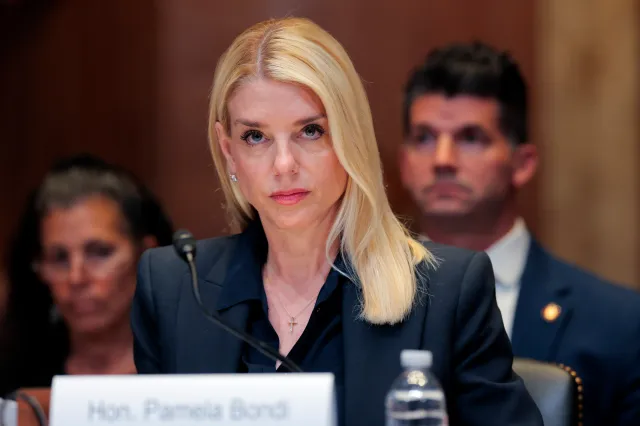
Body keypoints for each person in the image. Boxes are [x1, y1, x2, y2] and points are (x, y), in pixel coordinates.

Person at [131, 18, 543, 426]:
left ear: (351, 137)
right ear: (228, 152)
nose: (284, 165)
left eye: (310, 131)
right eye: (255, 136)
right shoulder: (174, 288)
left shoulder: (448, 293)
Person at [399, 41, 640, 426]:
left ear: (522, 163)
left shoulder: (620, 324)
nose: (442, 160)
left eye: (470, 138)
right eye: (424, 138)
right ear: (403, 161)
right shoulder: (351, 299)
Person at [0, 154, 174, 395]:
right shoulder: (14, 382)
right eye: (59, 258)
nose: (76, 278)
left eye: (99, 252)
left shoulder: (188, 371)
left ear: (146, 255)